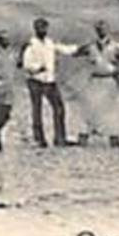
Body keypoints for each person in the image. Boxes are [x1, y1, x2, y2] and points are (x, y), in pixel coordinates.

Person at [20, 17, 78, 148]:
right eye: (40, 28)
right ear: (35, 29)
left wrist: (78, 49)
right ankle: (39, 139)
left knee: (59, 108)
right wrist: (38, 68)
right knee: (37, 109)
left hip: (50, 80)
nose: (43, 30)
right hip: (35, 80)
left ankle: (60, 138)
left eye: (45, 28)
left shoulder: (49, 42)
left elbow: (64, 49)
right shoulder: (30, 45)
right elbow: (26, 64)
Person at [77, 20, 119, 147]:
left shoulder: (116, 46)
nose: (101, 31)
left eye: (103, 28)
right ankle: (84, 136)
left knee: (111, 108)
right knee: (90, 106)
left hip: (109, 80)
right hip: (94, 79)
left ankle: (114, 137)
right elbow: (75, 52)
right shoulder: (90, 46)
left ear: (108, 30)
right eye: (98, 29)